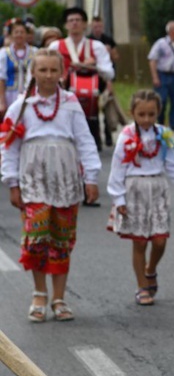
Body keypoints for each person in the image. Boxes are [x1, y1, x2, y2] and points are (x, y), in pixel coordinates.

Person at [0, 49, 101, 322]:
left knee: (62, 239)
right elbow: (8, 147)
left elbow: (85, 141)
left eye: (53, 70)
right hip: (33, 180)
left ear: (62, 73)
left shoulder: (70, 103)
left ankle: (59, 297)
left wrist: (91, 177)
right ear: (33, 72)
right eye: (42, 70)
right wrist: (12, 182)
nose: (47, 75)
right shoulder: (20, 105)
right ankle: (39, 293)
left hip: (66, 180)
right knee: (36, 237)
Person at [107, 90, 174, 305]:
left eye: (151, 114)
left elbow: (171, 164)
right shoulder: (126, 136)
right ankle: (142, 286)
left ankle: (150, 269)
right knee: (140, 242)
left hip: (157, 187)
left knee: (160, 240)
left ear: (158, 113)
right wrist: (119, 199)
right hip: (135, 189)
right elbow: (118, 168)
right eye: (141, 114)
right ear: (132, 112)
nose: (146, 119)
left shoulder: (164, 134)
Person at [48, 7, 115, 154]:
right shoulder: (56, 46)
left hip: (92, 98)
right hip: (63, 94)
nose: (74, 24)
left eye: (78, 20)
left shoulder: (96, 46)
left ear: (85, 24)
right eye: (71, 21)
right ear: (65, 25)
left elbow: (110, 73)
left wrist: (94, 65)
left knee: (90, 136)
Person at [148, 20, 174, 131]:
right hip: (162, 75)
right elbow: (152, 60)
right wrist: (155, 77)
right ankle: (160, 123)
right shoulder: (160, 44)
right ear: (170, 31)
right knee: (162, 100)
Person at [88, 16, 118, 147]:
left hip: (105, 79)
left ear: (103, 27)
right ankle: (97, 139)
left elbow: (116, 58)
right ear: (91, 27)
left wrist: (109, 52)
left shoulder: (108, 40)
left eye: (99, 26)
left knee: (107, 108)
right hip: (91, 80)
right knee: (93, 111)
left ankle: (109, 136)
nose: (97, 29)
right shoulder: (88, 41)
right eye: (95, 27)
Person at [0, 19, 37, 119]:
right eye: (16, 32)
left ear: (27, 35)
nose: (19, 35)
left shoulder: (35, 52)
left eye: (22, 32)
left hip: (30, 93)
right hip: (9, 94)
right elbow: (1, 78)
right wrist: (2, 101)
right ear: (11, 35)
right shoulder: (4, 53)